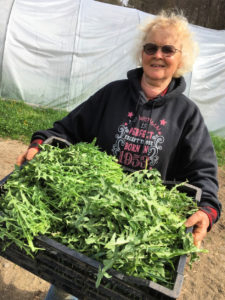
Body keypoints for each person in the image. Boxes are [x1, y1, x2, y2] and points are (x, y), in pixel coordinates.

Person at [17, 10, 222, 300]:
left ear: (181, 58)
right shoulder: (112, 94)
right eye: (151, 47)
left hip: (137, 228)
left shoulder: (187, 115)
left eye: (168, 49)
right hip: (86, 211)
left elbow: (202, 173)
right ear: (141, 53)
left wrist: (207, 210)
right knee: (64, 278)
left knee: (110, 289)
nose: (158, 55)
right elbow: (68, 130)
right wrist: (41, 144)